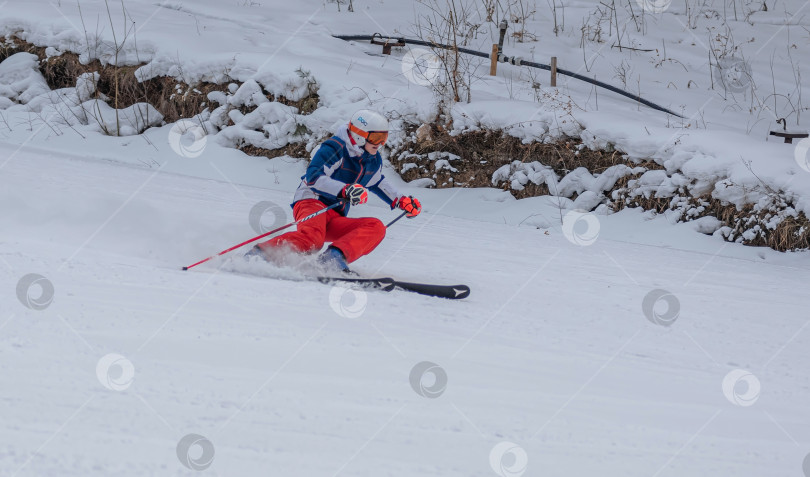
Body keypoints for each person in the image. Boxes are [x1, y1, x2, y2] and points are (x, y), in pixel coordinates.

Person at [247, 109, 422, 273]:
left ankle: (333, 259)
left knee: (376, 227)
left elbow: (378, 182)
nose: (380, 144)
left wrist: (402, 201)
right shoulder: (336, 148)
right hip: (312, 201)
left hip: (335, 213)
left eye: (383, 138)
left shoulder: (372, 160)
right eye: (376, 138)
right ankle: (261, 254)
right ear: (360, 135)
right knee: (312, 240)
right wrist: (344, 190)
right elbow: (314, 176)